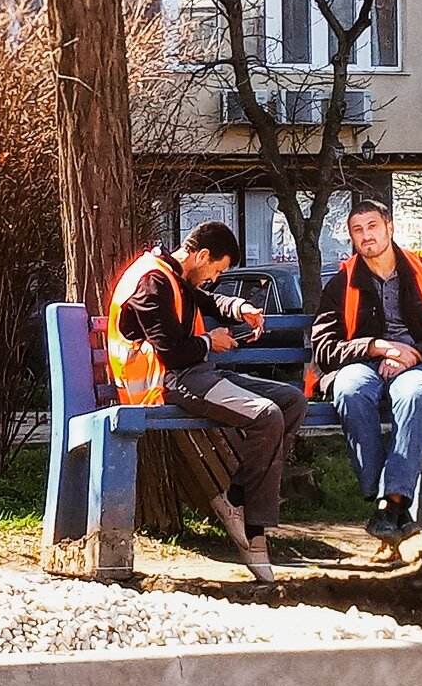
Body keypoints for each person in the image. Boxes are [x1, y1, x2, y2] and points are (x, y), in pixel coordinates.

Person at [107, 221, 307, 582]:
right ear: (201, 256)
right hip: (165, 382)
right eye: (217, 269)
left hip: (196, 373)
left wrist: (240, 307)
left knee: (292, 400)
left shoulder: (173, 273)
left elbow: (207, 300)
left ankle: (237, 499)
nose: (216, 278)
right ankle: (251, 522)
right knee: (267, 416)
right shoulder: (152, 282)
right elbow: (172, 351)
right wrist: (209, 342)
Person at [310, 200, 422, 540]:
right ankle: (388, 497)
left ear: (389, 228)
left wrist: (414, 354)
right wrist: (375, 347)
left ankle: (390, 503)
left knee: (413, 393)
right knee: (349, 389)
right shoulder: (341, 284)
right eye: (357, 230)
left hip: (420, 364)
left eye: (372, 226)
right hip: (361, 365)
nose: (366, 236)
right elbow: (323, 348)